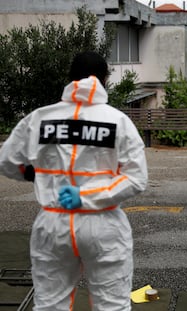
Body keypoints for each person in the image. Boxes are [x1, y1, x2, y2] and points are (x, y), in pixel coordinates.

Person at [0, 51, 148, 310]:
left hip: (52, 222)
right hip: (104, 224)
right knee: (112, 305)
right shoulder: (118, 121)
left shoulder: (39, 118)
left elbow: (7, 161)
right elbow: (136, 179)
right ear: (104, 80)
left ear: (69, 78)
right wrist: (88, 196)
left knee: (50, 304)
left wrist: (34, 174)